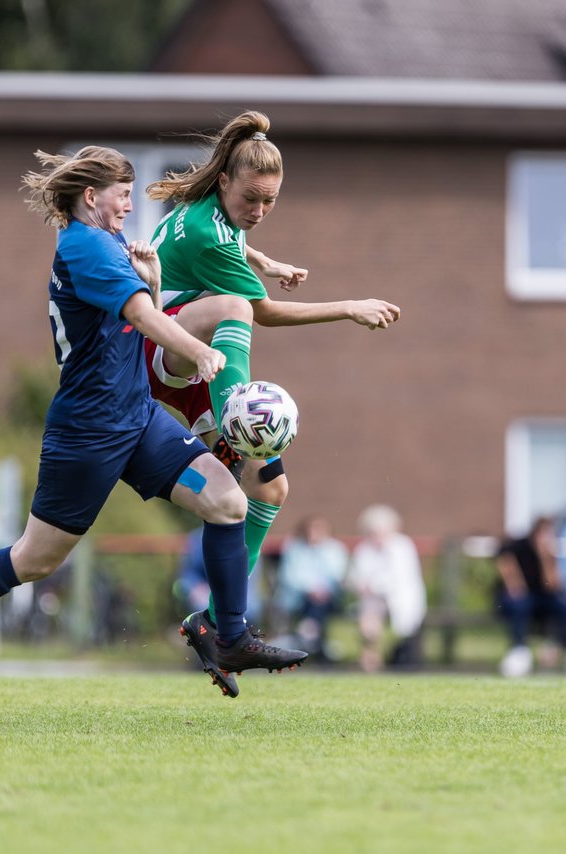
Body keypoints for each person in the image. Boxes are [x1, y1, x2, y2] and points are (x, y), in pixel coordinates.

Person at [0, 145, 305, 701]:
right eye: (124, 195)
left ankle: (227, 634)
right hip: (88, 430)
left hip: (137, 418)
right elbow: (140, 318)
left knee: (229, 501)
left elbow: (134, 322)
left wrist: (155, 280)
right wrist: (202, 355)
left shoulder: (107, 242)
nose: (130, 207)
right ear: (91, 196)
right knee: (36, 559)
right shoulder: (85, 246)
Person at [141, 111, 401, 668]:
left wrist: (265, 258)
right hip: (159, 350)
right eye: (252, 199)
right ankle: (238, 423)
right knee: (237, 306)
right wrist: (349, 307)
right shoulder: (213, 232)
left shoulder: (209, 209)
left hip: (197, 362)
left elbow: (233, 238)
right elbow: (268, 314)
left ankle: (216, 623)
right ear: (228, 182)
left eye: (270, 203)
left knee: (269, 491)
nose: (258, 212)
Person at [494, 517, 566, 678]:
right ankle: (519, 650)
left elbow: (553, 585)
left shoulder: (549, 553)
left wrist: (545, 558)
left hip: (541, 599)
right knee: (519, 604)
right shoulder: (517, 546)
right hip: (519, 597)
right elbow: (511, 577)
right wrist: (516, 586)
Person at [348, 505, 427, 672]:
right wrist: (361, 585)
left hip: (400, 600)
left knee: (396, 625)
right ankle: (371, 660)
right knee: (368, 619)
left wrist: (372, 586)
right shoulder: (364, 548)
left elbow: (400, 578)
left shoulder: (402, 546)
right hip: (374, 602)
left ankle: (380, 657)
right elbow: (355, 575)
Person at [276, 516, 349, 661]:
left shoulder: (335, 549)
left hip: (329, 598)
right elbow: (289, 576)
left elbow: (338, 575)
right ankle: (313, 637)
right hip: (299, 598)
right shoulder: (294, 548)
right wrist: (309, 589)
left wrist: (320, 551)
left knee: (319, 603)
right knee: (315, 602)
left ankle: (308, 632)